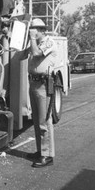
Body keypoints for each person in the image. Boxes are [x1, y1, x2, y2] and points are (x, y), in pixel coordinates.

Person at [26, 18, 57, 168]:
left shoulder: (48, 42)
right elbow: (22, 54)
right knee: (37, 120)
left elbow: (37, 54)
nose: (33, 31)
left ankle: (47, 155)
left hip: (43, 84)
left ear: (43, 30)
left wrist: (32, 39)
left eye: (35, 29)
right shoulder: (33, 42)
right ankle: (40, 151)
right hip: (33, 83)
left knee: (44, 121)